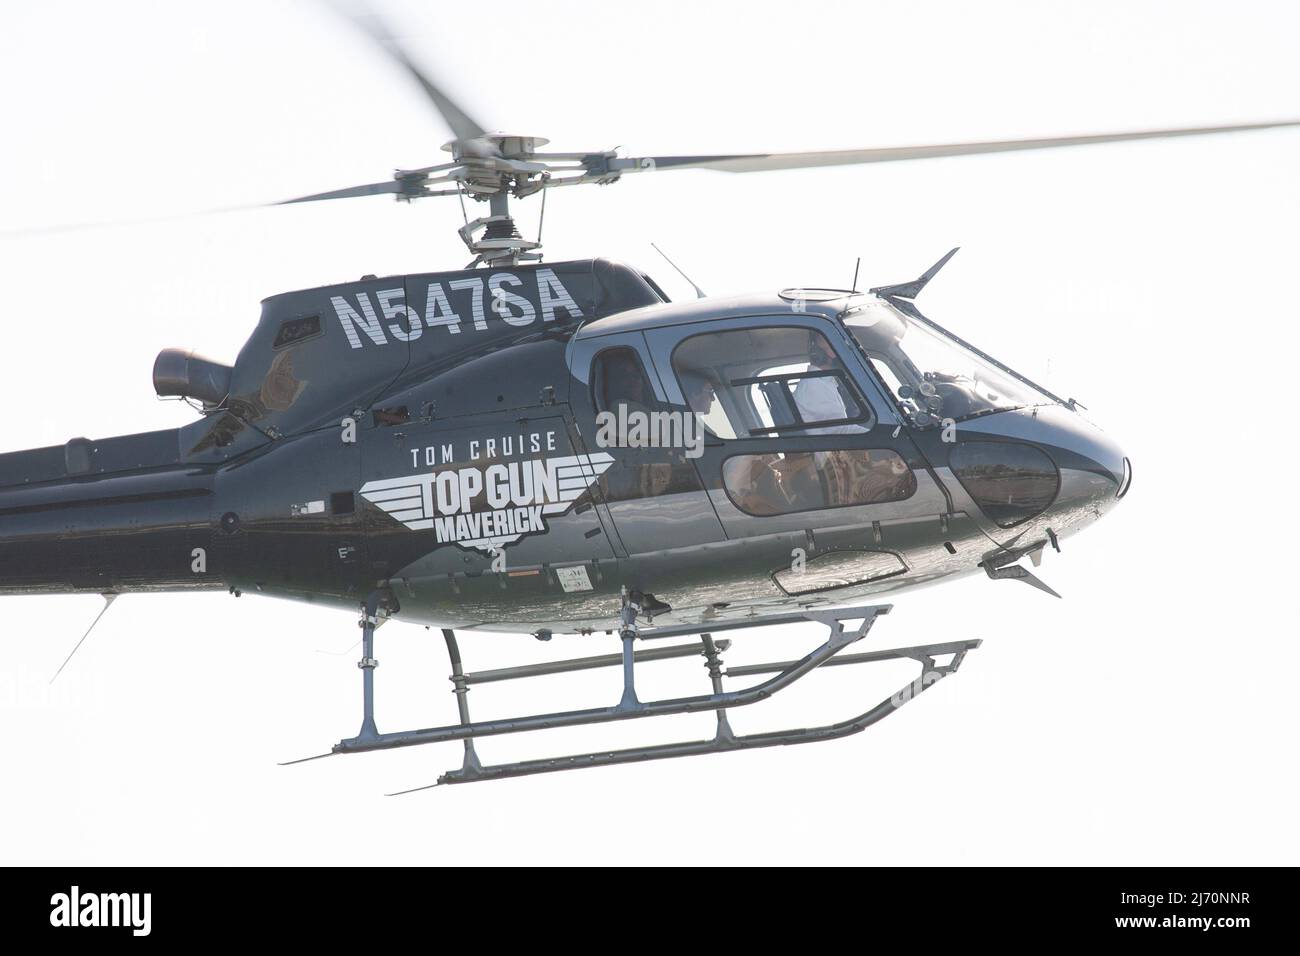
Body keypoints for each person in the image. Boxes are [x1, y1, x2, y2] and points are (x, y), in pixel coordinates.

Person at [792, 334, 867, 435]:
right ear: (818, 353)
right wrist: (877, 434)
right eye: (835, 346)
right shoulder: (814, 385)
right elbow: (840, 430)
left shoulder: (825, 382)